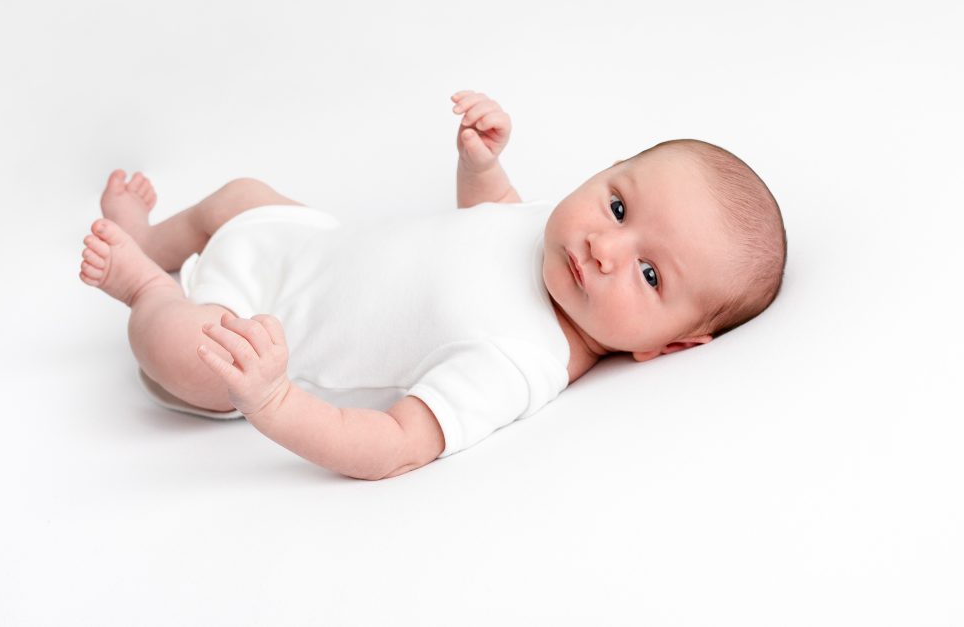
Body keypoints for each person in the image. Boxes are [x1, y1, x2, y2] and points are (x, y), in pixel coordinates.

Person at [79, 90, 786, 480]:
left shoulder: (519, 360)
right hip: (304, 246)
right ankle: (152, 239)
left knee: (178, 353)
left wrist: (273, 398)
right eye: (618, 205)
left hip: (252, 336)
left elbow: (395, 442)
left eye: (651, 273)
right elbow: (490, 222)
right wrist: (481, 165)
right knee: (240, 197)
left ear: (669, 346)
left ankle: (145, 285)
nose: (605, 248)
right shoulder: (554, 236)